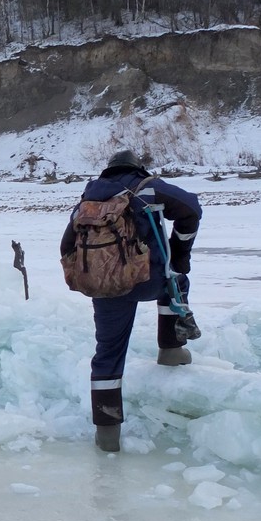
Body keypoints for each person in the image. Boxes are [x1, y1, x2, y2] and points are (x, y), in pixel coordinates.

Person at [60, 149, 202, 452]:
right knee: (176, 278)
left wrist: (90, 275)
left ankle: (107, 434)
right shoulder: (147, 187)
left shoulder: (89, 198)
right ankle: (171, 348)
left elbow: (67, 243)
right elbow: (192, 208)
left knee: (108, 352)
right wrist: (180, 252)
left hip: (105, 288)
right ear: (137, 167)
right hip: (146, 281)